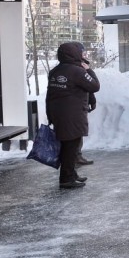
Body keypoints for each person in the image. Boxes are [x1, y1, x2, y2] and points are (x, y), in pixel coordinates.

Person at [45, 41, 100, 189]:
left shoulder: (55, 71)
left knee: (67, 145)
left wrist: (50, 115)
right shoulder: (78, 71)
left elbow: (50, 95)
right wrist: (89, 70)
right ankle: (66, 179)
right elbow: (95, 86)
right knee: (71, 146)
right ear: (74, 54)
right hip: (73, 115)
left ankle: (71, 174)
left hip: (58, 114)